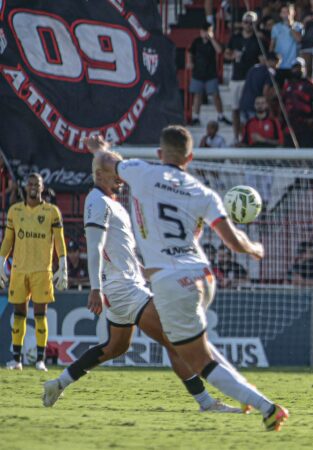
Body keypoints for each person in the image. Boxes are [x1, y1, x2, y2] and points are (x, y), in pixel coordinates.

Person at [87, 128, 289, 431]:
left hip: (171, 282)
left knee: (198, 360)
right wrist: (255, 248)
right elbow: (234, 242)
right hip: (203, 276)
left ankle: (267, 408)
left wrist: (99, 149)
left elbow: (105, 160)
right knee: (197, 346)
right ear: (190, 158)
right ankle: (247, 394)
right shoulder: (202, 192)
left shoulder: (141, 172)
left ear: (160, 154)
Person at [42, 155, 238, 413]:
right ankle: (207, 403)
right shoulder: (96, 201)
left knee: (115, 347)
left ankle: (58, 383)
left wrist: (148, 273)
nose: (120, 177)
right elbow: (94, 246)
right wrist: (95, 289)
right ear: (100, 174)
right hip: (122, 288)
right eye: (115, 172)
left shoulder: (113, 204)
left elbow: (123, 254)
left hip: (129, 284)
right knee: (174, 339)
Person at [1, 173, 67, 371]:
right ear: (25, 186)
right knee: (19, 314)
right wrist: (1, 261)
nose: (33, 187)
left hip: (42, 271)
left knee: (40, 315)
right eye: (30, 183)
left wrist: (63, 264)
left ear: (42, 187)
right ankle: (17, 360)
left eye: (36, 184)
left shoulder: (52, 212)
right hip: (19, 271)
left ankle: (40, 359)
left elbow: (59, 240)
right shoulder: (15, 211)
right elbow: (8, 240)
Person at [225, 11, 264, 143]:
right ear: (242, 23)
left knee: (247, 109)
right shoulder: (235, 38)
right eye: (246, 22)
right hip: (236, 77)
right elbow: (226, 54)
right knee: (235, 109)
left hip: (250, 79)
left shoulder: (257, 40)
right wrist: (233, 56)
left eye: (251, 22)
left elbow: (261, 59)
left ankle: (247, 136)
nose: (248, 25)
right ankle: (236, 136)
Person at [188, 22, 228, 126]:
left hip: (211, 73)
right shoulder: (196, 42)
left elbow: (219, 51)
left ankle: (220, 116)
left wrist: (211, 39)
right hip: (198, 72)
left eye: (207, 31)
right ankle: (195, 117)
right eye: (203, 31)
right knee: (198, 95)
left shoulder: (213, 42)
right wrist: (190, 62)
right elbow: (190, 52)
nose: (205, 33)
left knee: (215, 95)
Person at [282, 58, 313, 147]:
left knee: (306, 150)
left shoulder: (309, 83)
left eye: (299, 67)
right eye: (295, 68)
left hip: (306, 124)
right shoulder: (288, 84)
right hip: (290, 124)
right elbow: (283, 102)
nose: (297, 70)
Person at [270, 3, 304, 84]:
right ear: (280, 14)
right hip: (280, 65)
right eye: (284, 12)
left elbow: (299, 39)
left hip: (294, 65)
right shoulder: (276, 27)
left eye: (288, 12)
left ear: (293, 13)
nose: (286, 14)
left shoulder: (299, 26)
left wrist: (290, 27)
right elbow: (272, 46)